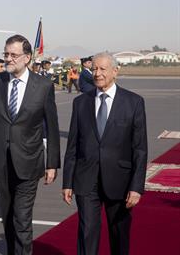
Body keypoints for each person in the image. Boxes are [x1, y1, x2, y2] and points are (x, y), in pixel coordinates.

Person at [0, 34, 60, 255]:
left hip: (29, 162)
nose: (8, 59)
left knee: (22, 219)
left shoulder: (43, 86)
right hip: (0, 161)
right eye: (6, 54)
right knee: (8, 217)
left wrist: (52, 164)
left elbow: (52, 126)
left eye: (13, 55)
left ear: (27, 58)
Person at [62, 52, 147, 255]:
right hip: (86, 179)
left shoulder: (133, 102)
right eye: (94, 69)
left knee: (119, 234)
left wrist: (136, 187)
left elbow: (140, 149)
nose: (97, 74)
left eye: (102, 69)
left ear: (115, 71)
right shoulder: (80, 103)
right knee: (87, 232)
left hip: (120, 182)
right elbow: (73, 146)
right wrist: (68, 182)